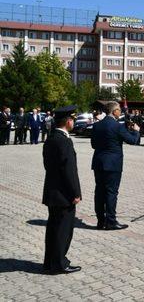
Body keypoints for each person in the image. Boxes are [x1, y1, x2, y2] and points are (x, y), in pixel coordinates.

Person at [42, 105, 82, 274]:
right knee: (62, 231)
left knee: (53, 229)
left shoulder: (51, 138)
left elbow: (48, 165)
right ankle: (59, 264)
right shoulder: (64, 141)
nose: (73, 121)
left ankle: (50, 261)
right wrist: (75, 193)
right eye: (72, 119)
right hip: (64, 194)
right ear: (67, 121)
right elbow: (69, 170)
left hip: (53, 191)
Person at [91, 101, 140, 230]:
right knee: (111, 192)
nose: (121, 111)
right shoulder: (117, 126)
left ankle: (100, 221)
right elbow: (132, 140)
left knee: (99, 192)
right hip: (112, 164)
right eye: (119, 109)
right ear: (114, 112)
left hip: (99, 162)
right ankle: (111, 221)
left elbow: (93, 145)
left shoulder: (97, 125)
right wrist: (136, 131)